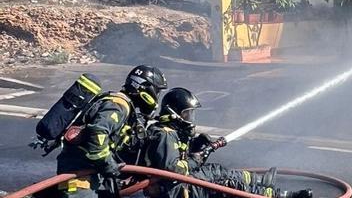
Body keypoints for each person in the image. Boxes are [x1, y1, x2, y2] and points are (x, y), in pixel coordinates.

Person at [144, 87, 311, 198]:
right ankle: (280, 195)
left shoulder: (170, 133)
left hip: (180, 183)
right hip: (177, 190)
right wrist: (198, 156)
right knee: (226, 184)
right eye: (187, 114)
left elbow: (173, 159)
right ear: (174, 114)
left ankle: (258, 181)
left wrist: (195, 145)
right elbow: (174, 170)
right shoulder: (165, 135)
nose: (190, 119)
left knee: (217, 170)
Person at [57, 65, 168, 198]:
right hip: (79, 175)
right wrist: (108, 163)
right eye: (157, 91)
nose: (157, 97)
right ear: (145, 88)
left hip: (87, 173)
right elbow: (97, 133)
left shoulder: (123, 105)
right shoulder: (119, 105)